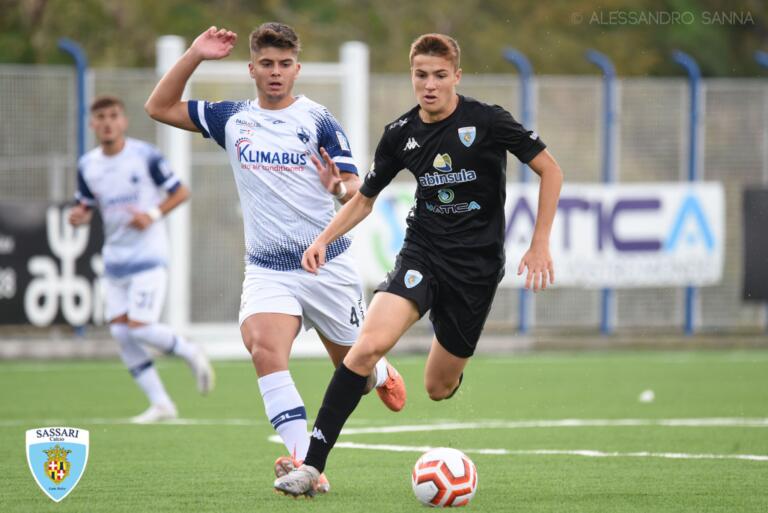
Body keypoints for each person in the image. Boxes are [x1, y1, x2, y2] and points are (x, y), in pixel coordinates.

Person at [274, 33, 564, 497]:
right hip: (422, 253)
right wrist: (323, 239)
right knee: (365, 348)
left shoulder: (487, 121)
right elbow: (364, 199)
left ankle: (439, 362)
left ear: (456, 77)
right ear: (412, 75)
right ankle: (310, 466)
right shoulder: (400, 134)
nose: (429, 85)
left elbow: (551, 169)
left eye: (439, 76)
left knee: (437, 387)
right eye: (420, 75)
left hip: (475, 269)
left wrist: (540, 242)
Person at [144, 24, 406, 492]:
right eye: (267, 64)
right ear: (252, 69)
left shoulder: (318, 120)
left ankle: (378, 369)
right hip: (267, 268)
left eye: (285, 64)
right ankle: (308, 466)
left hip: (327, 265)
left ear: (297, 69)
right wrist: (194, 55)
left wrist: (338, 188)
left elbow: (353, 188)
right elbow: (158, 107)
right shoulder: (233, 118)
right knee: (263, 347)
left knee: (354, 372)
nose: (276, 73)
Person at [69, 95, 215, 424]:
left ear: (123, 121)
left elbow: (180, 192)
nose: (107, 122)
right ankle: (162, 404)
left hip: (148, 256)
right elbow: (86, 205)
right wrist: (79, 215)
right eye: (100, 117)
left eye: (113, 116)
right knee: (121, 333)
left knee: (141, 326)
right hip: (115, 260)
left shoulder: (144, 156)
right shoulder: (88, 165)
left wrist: (151, 214)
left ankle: (189, 350)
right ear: (93, 124)